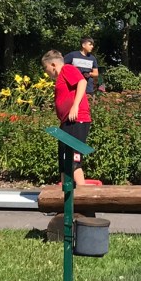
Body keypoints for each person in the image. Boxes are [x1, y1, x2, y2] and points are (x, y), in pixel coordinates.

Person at [42, 49, 90, 186]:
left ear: (53, 65)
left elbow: (82, 82)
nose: (46, 73)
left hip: (76, 119)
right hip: (67, 122)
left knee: (73, 161)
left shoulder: (67, 69)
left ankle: (84, 199)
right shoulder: (61, 77)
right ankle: (64, 200)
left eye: (46, 69)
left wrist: (75, 106)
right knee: (64, 163)